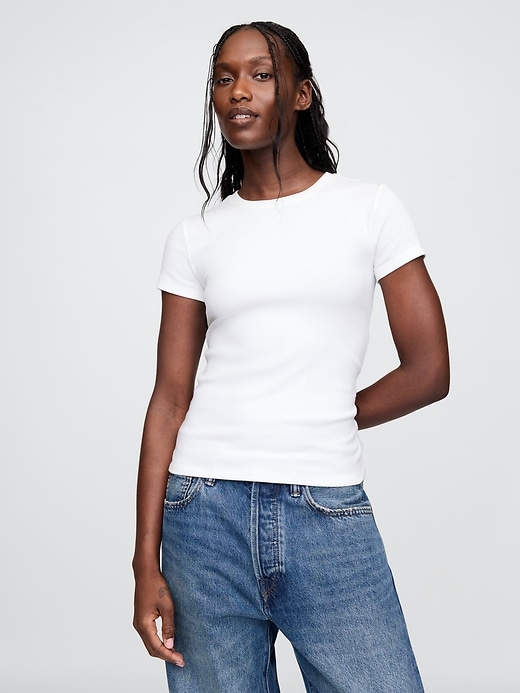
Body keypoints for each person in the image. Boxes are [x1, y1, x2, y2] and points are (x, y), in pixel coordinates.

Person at [132, 20, 450, 693]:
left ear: (301, 94)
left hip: (324, 508)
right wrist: (144, 562)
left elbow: (429, 370)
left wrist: (326, 413)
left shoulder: (370, 209)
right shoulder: (196, 236)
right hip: (202, 512)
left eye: (260, 74)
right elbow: (169, 399)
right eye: (224, 78)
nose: (238, 91)